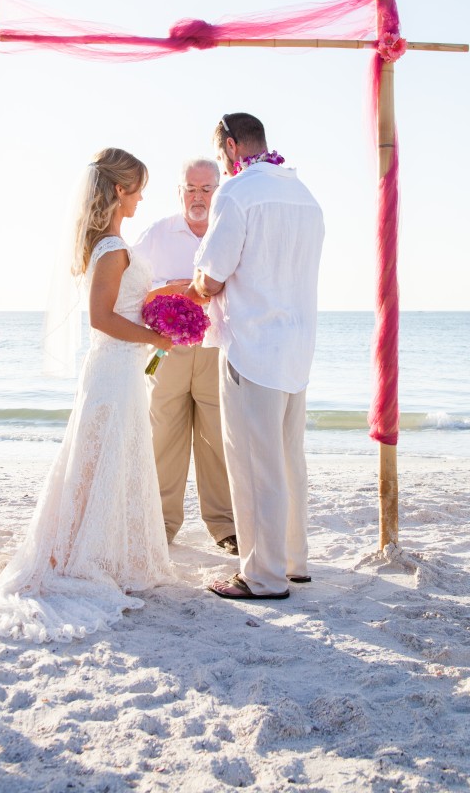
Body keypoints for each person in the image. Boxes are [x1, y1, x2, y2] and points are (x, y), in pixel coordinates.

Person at [0, 148, 173, 642]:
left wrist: (164, 304)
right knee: (106, 454)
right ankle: (88, 557)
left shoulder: (111, 245)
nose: (141, 197)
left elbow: (125, 306)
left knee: (113, 457)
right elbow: (104, 319)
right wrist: (156, 338)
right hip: (114, 368)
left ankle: (110, 550)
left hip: (119, 369)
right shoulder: (111, 248)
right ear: (119, 190)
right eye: (138, 188)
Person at [189, 113, 325, 600]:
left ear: (229, 147)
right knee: (288, 459)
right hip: (297, 348)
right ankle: (293, 562)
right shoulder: (303, 194)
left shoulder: (238, 192)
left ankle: (262, 576)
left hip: (252, 348)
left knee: (252, 463)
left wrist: (197, 288)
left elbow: (213, 275)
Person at [134, 159, 236, 553]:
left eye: (206, 188)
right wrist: (175, 290)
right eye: (190, 188)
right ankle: (160, 525)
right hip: (166, 351)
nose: (198, 196)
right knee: (163, 436)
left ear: (219, 189)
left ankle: (225, 526)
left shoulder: (230, 231)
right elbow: (132, 290)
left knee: (217, 439)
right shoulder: (155, 235)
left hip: (217, 349)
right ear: (179, 192)